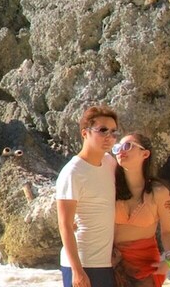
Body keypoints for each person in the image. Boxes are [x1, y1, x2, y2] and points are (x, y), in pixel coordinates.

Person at [57, 105, 121, 287]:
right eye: (102, 130)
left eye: (113, 131)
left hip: (105, 262)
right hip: (82, 263)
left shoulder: (109, 163)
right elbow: (65, 225)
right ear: (85, 133)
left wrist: (164, 196)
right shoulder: (72, 172)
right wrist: (77, 271)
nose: (109, 136)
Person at [111, 133, 170, 287]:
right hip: (113, 261)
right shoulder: (111, 188)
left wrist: (169, 260)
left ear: (145, 154)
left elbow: (167, 231)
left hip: (145, 263)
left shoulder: (160, 192)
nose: (121, 151)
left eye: (127, 146)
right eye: (117, 148)